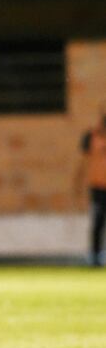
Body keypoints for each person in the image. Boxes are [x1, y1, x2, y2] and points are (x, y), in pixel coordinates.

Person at [75, 101, 106, 266]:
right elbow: (82, 163)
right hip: (97, 187)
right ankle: (95, 255)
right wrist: (77, 186)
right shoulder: (91, 136)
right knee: (98, 222)